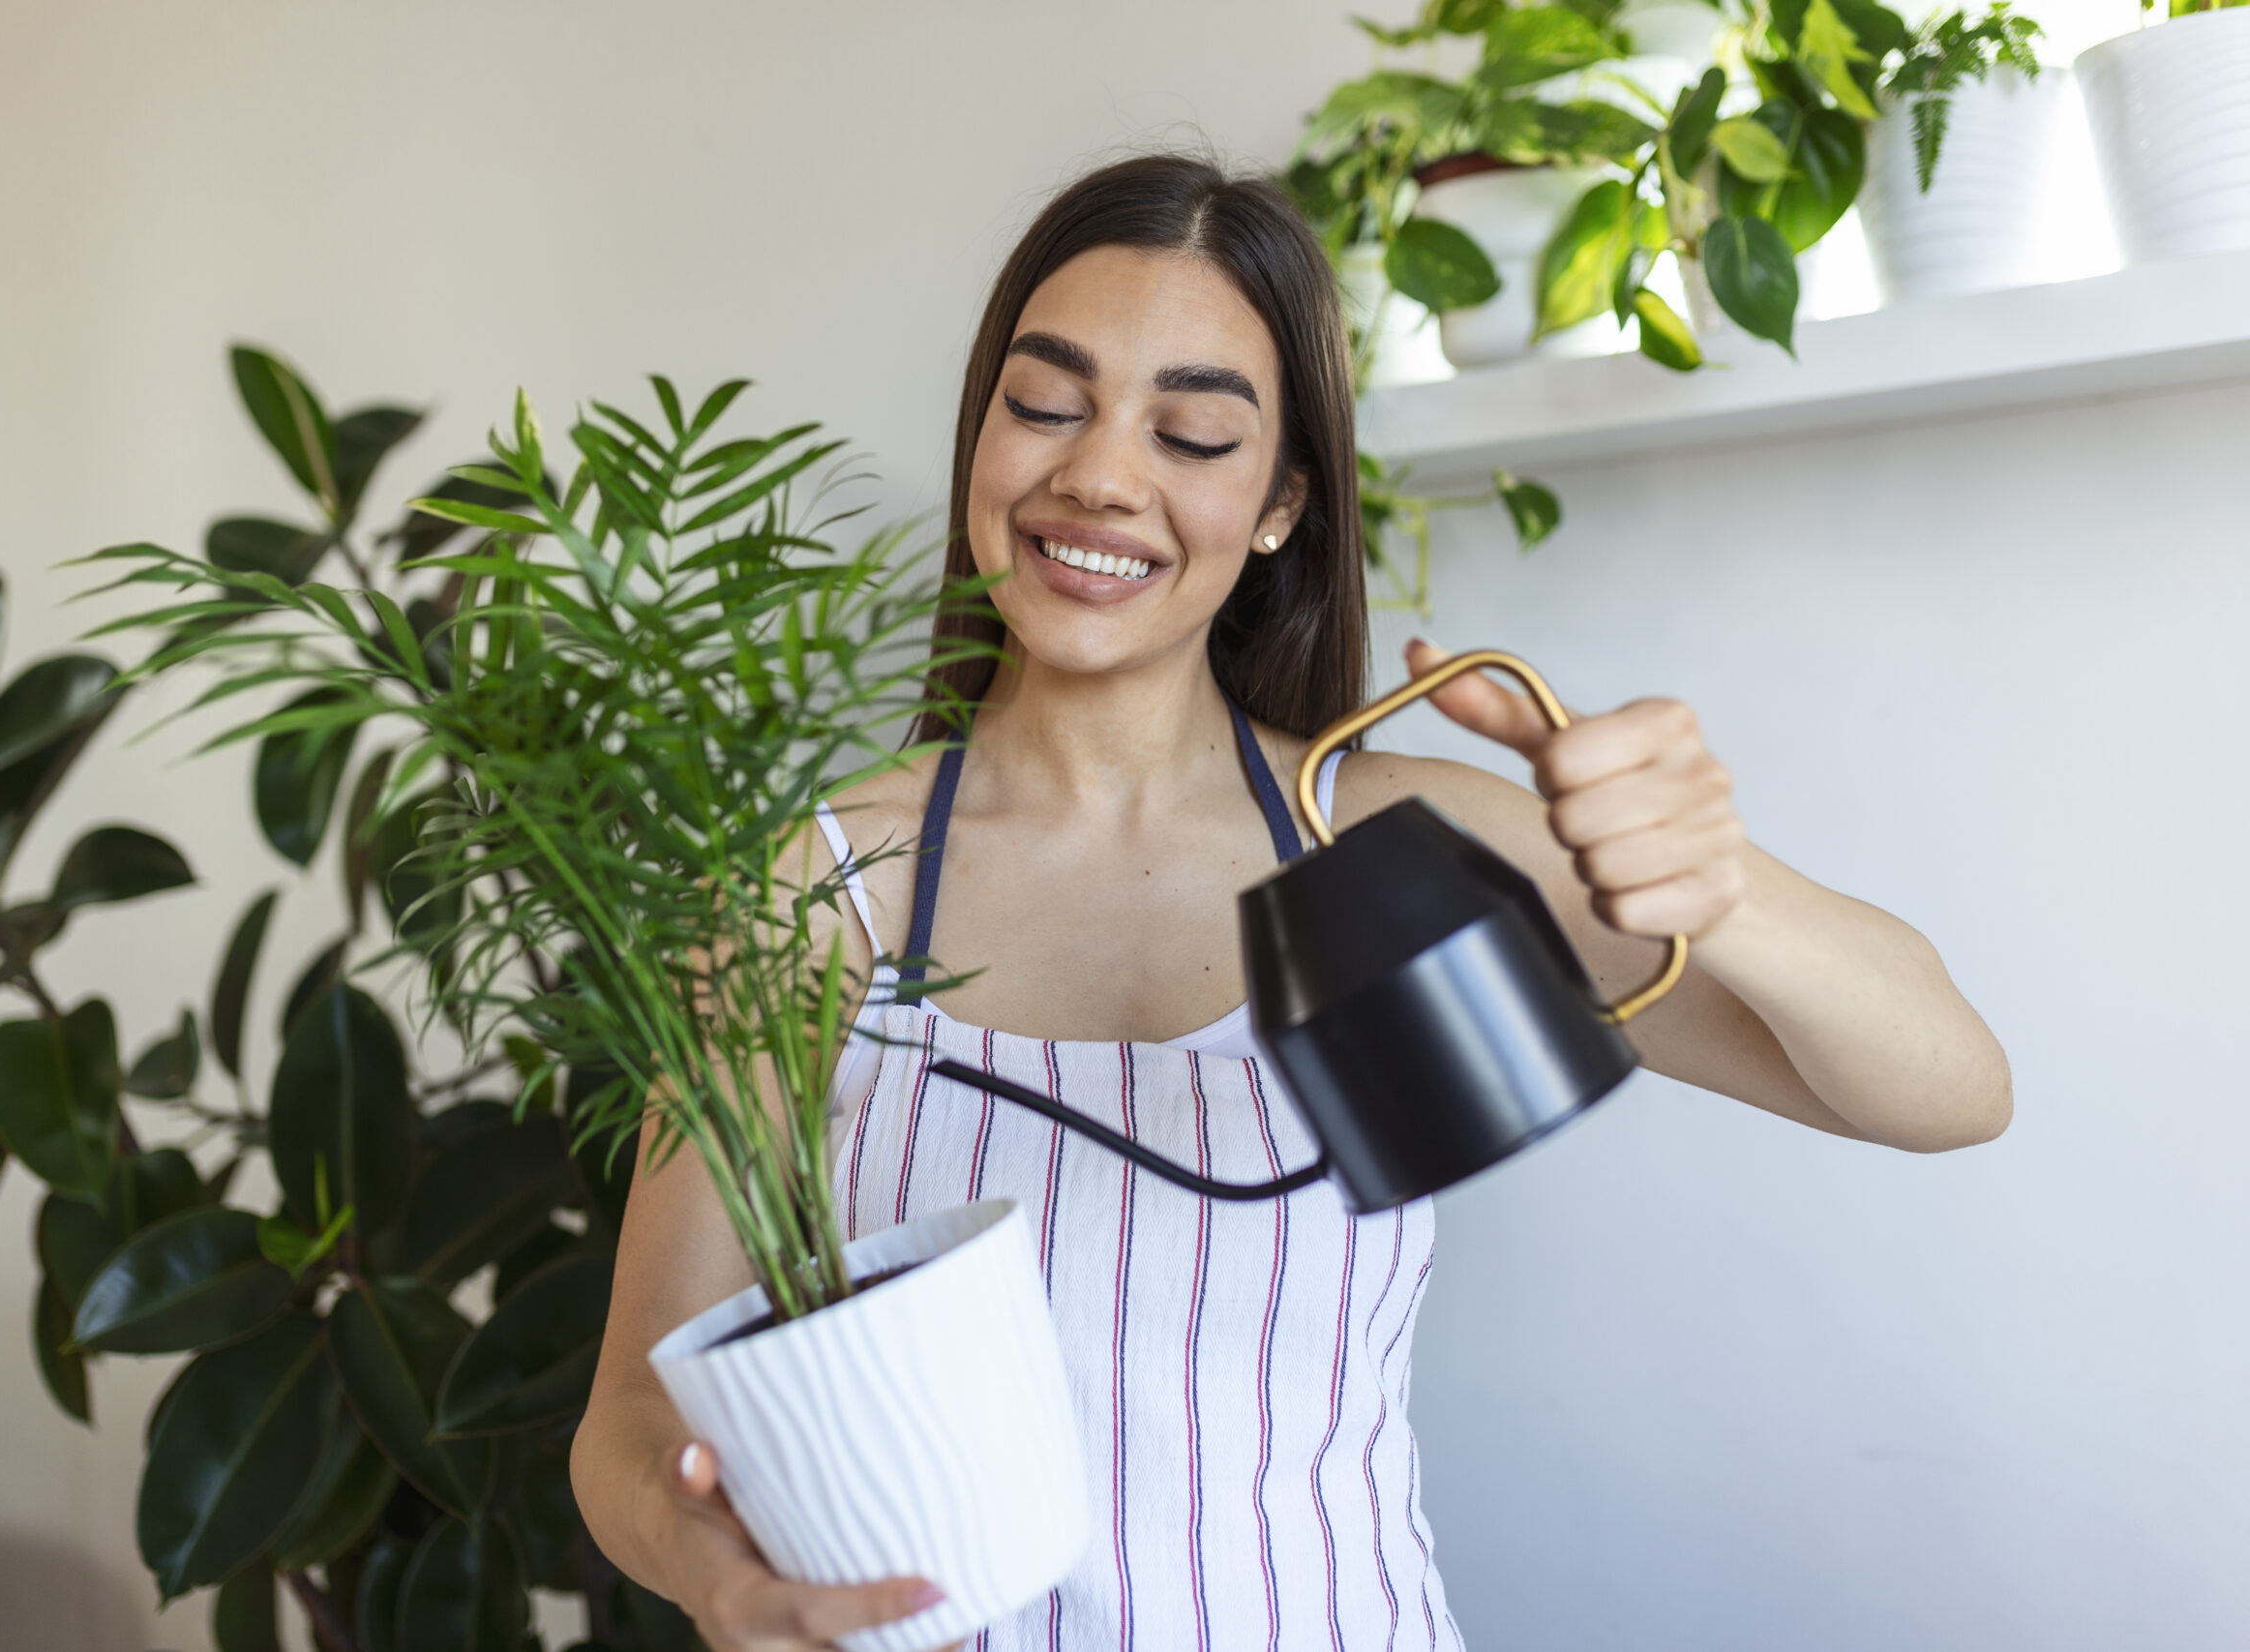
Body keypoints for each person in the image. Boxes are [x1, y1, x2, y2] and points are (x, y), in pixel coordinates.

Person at [570, 153, 2011, 1652]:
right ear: (980, 436)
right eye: (1045, 404)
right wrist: (715, 1572)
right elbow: (628, 1421)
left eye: (1191, 433)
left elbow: (1952, 1092)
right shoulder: (812, 890)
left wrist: (1729, 887)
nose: (1100, 477)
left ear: (1278, 505)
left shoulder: (1397, 847)